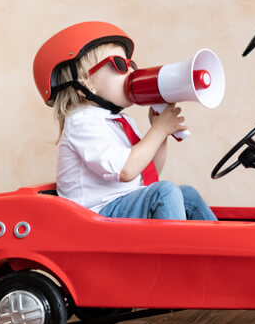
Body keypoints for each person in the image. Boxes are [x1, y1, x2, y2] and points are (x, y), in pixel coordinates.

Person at [32, 21, 217, 220]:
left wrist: (159, 132)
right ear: (85, 84)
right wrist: (159, 131)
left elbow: (150, 170)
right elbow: (126, 170)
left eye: (131, 65)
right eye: (119, 65)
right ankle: (176, 251)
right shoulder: (82, 122)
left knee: (186, 194)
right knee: (165, 192)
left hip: (121, 205)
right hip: (93, 216)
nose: (131, 72)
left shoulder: (119, 121)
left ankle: (219, 247)